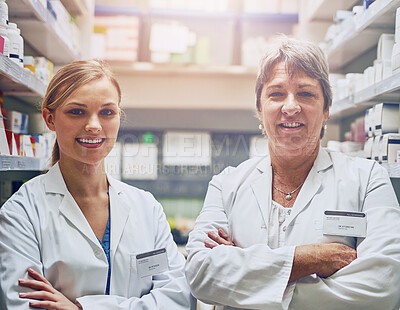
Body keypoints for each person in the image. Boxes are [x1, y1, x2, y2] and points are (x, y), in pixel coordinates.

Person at [185, 36, 400, 310]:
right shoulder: (226, 184)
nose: (290, 107)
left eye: (306, 93)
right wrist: (307, 259)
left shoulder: (368, 179)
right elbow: (201, 274)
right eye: (276, 94)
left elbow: (384, 284)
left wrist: (248, 280)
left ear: (326, 109)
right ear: (260, 110)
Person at [0, 59, 193, 310]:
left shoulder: (146, 207)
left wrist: (81, 308)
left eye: (107, 112)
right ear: (50, 119)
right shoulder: (22, 212)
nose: (93, 125)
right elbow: (23, 305)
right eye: (77, 111)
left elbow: (177, 298)